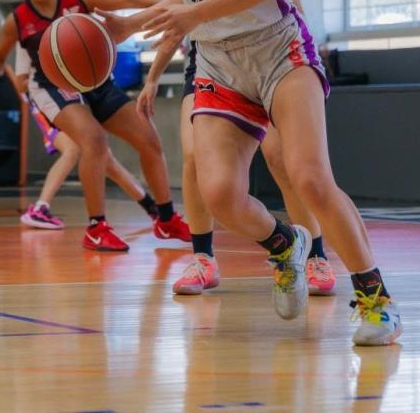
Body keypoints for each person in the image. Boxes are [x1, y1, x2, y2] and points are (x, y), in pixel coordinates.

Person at [101, 0, 401, 343]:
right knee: (218, 194)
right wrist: (129, 25)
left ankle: (376, 299)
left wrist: (189, 13)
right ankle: (285, 245)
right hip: (219, 61)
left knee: (309, 175)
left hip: (277, 48)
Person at [0, 0, 191, 251]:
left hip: (95, 80)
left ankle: (166, 220)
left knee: (149, 139)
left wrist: (178, 12)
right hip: (50, 85)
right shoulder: (18, 20)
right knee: (94, 141)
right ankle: (97, 227)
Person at [141, 38, 337, 297]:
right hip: (210, 65)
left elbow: (293, 12)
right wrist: (153, 77)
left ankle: (314, 255)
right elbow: (177, 16)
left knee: (280, 159)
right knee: (193, 157)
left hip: (267, 59)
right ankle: (203, 257)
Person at [11, 49, 169, 230]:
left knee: (103, 157)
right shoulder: (29, 35)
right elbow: (21, 83)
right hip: (49, 104)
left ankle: (151, 208)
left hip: (77, 98)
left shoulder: (77, 29)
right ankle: (40, 207)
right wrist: (54, 76)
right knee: (73, 150)